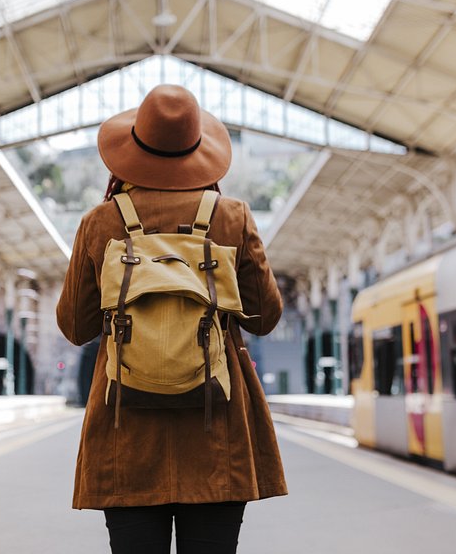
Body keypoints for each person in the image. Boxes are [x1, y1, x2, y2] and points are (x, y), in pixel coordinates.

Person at [56, 84, 287, 554]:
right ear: (198, 151)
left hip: (126, 433)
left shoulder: (101, 222)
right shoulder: (231, 217)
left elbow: (76, 327)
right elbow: (264, 317)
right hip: (217, 433)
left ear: (130, 150)